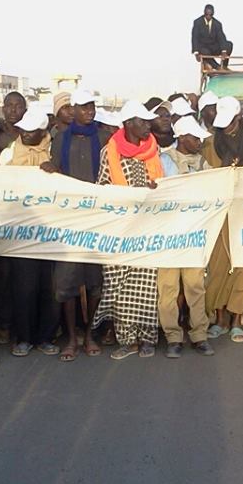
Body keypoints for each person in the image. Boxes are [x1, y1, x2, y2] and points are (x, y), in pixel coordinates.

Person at [91, 100, 164, 359]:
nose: (148, 125)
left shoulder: (154, 152)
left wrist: (158, 189)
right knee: (119, 286)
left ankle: (147, 338)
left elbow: (164, 188)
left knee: (146, 284)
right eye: (142, 121)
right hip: (120, 231)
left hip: (147, 230)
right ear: (128, 124)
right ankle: (126, 339)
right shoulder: (108, 153)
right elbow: (103, 188)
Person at [43, 87, 110, 362]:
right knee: (68, 281)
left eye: (92, 107)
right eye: (83, 107)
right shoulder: (60, 139)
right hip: (69, 219)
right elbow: (56, 171)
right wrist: (51, 169)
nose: (89, 112)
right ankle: (72, 337)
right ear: (74, 109)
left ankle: (90, 334)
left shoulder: (104, 137)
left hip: (96, 218)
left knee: (95, 281)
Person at [0, 104, 61, 358]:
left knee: (49, 288)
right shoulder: (8, 154)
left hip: (50, 232)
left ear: (42, 131)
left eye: (31, 131)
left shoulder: (53, 152)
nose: (25, 134)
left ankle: (45, 337)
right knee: (23, 288)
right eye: (23, 130)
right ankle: (23, 338)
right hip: (20, 232)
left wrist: (55, 170)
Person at [201, 96, 243, 343]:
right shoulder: (211, 143)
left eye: (231, 122)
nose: (227, 128)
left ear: (238, 117)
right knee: (218, 265)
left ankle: (237, 318)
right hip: (220, 212)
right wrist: (222, 169)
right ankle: (220, 317)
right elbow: (207, 178)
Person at [158, 116, 215, 358]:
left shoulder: (202, 164)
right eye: (194, 138)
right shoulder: (162, 161)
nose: (199, 142)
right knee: (168, 288)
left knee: (195, 286)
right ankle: (173, 336)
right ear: (181, 138)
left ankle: (199, 334)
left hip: (193, 234)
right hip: (168, 235)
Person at [191, 4, 232, 70]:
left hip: (213, 47)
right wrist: (196, 52)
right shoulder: (197, 22)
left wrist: (224, 50)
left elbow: (221, 37)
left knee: (229, 45)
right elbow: (194, 37)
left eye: (210, 15)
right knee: (204, 52)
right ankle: (217, 67)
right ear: (204, 13)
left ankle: (224, 66)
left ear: (213, 14)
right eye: (207, 14)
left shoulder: (217, 24)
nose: (208, 17)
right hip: (204, 48)